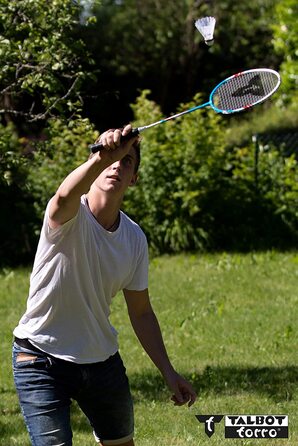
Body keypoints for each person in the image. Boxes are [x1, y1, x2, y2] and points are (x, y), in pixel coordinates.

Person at [12, 124, 197, 446]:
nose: (117, 165)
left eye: (127, 161)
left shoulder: (134, 238)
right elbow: (64, 195)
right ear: (94, 164)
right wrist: (103, 155)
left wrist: (169, 372)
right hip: (40, 358)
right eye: (111, 158)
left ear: (134, 178)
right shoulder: (67, 215)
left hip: (101, 363)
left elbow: (141, 312)